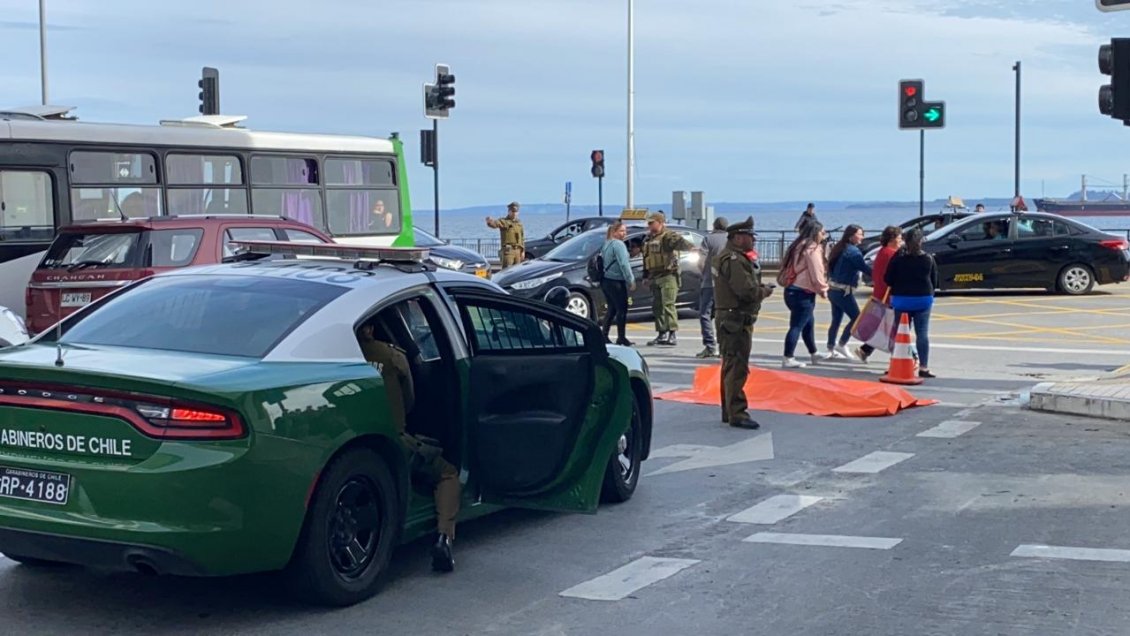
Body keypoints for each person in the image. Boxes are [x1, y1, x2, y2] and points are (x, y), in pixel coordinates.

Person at [358, 323, 461, 572]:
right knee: (447, 473)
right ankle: (444, 537)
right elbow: (410, 401)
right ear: (370, 328)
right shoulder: (392, 356)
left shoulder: (334, 358)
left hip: (356, 444)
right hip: (395, 443)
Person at [713, 217, 772, 429]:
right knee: (736, 367)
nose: (753, 240)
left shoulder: (729, 257)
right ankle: (737, 412)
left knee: (730, 365)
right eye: (749, 236)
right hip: (735, 319)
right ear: (738, 238)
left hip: (731, 318)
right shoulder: (734, 260)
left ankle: (729, 410)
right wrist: (764, 291)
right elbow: (746, 291)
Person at [884, 228, 938, 379]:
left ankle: (897, 364)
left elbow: (888, 279)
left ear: (905, 242)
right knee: (922, 333)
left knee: (900, 334)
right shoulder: (928, 258)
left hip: (902, 300)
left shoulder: (898, 259)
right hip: (923, 299)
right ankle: (924, 367)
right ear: (921, 242)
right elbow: (935, 281)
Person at [641, 211, 697, 346]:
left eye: (652, 223)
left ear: (660, 223)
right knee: (657, 306)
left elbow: (679, 242)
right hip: (654, 277)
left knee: (668, 305)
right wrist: (645, 276)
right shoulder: (648, 239)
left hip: (668, 276)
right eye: (648, 223)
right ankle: (661, 333)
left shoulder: (668, 237)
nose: (649, 226)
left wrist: (692, 248)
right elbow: (646, 259)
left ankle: (672, 334)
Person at [779, 221, 829, 368]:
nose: (824, 235)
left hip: (791, 290)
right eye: (822, 232)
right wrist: (823, 289)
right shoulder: (812, 249)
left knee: (808, 323)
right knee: (797, 326)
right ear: (815, 232)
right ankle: (788, 357)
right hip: (803, 292)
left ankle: (814, 352)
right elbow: (816, 272)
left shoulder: (797, 245)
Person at [824, 225, 872, 361]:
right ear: (851, 236)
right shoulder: (853, 252)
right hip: (843, 292)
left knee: (836, 319)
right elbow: (864, 268)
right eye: (860, 234)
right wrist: (881, 276)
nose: (862, 237)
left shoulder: (839, 248)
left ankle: (830, 348)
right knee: (857, 318)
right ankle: (841, 344)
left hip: (833, 289)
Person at [855, 225, 902, 363]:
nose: (901, 241)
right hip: (888, 294)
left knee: (883, 325)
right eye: (899, 238)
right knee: (893, 326)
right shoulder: (891, 254)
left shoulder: (882, 251)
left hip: (881, 292)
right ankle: (901, 356)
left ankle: (865, 350)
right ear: (892, 239)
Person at [695, 216, 729, 358]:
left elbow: (700, 261)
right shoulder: (731, 239)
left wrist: (704, 273)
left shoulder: (708, 239)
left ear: (714, 226)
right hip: (726, 285)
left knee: (705, 314)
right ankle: (724, 347)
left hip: (709, 283)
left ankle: (710, 346)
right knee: (724, 315)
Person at [600, 221, 635, 346]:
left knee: (612, 308)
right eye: (621, 231)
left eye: (625, 231)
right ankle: (621, 337)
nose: (624, 233)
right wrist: (630, 280)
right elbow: (624, 264)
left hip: (606, 280)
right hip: (616, 281)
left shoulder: (607, 244)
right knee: (622, 309)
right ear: (614, 232)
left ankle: (604, 335)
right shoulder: (619, 245)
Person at [485, 202, 525, 269]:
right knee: (507, 270)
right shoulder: (504, 221)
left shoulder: (519, 223)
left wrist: (523, 251)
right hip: (508, 251)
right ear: (509, 211)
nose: (514, 213)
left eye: (516, 212)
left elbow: (522, 238)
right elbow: (495, 224)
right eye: (512, 211)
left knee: (517, 270)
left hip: (518, 251)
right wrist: (490, 222)